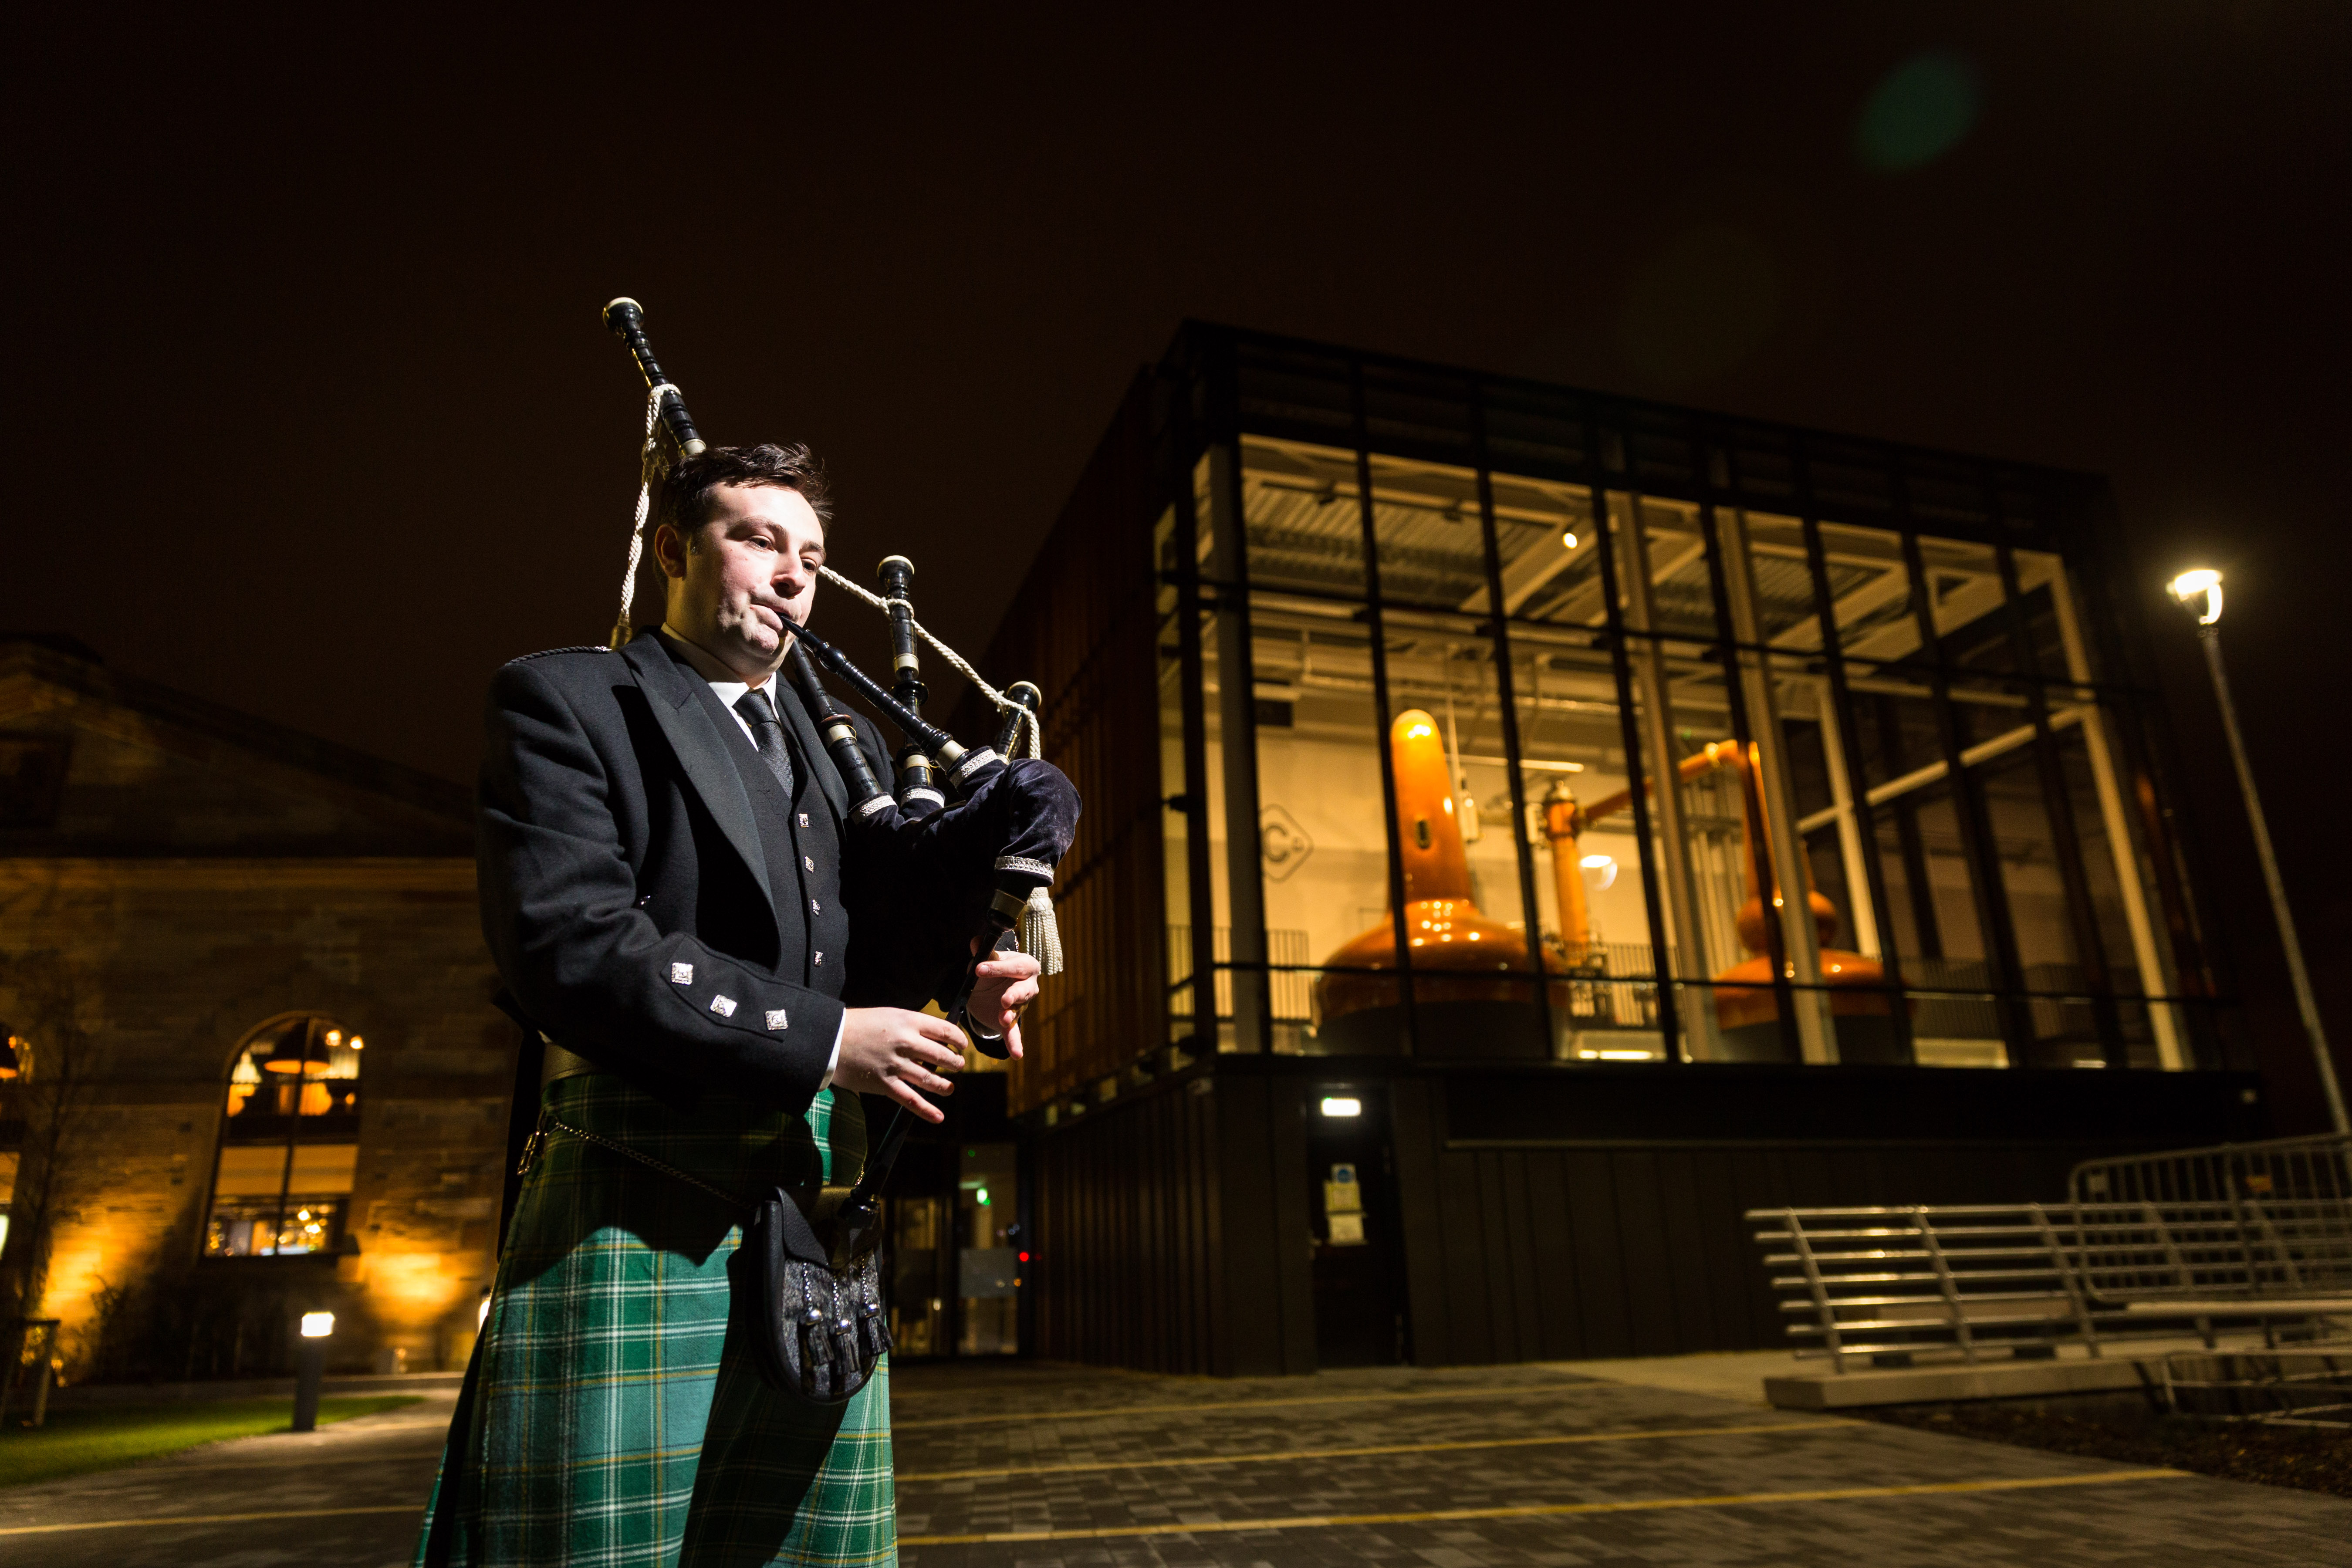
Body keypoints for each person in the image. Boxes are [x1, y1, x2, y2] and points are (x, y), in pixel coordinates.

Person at [417, 442, 1038, 1567]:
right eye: (758, 538)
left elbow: (850, 967)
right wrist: (827, 1039)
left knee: (804, 1550)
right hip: (636, 1176)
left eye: (811, 553)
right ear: (671, 551)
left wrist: (965, 994)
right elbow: (570, 944)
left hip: (806, 1210)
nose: (795, 573)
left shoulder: (823, 751)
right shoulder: (568, 699)